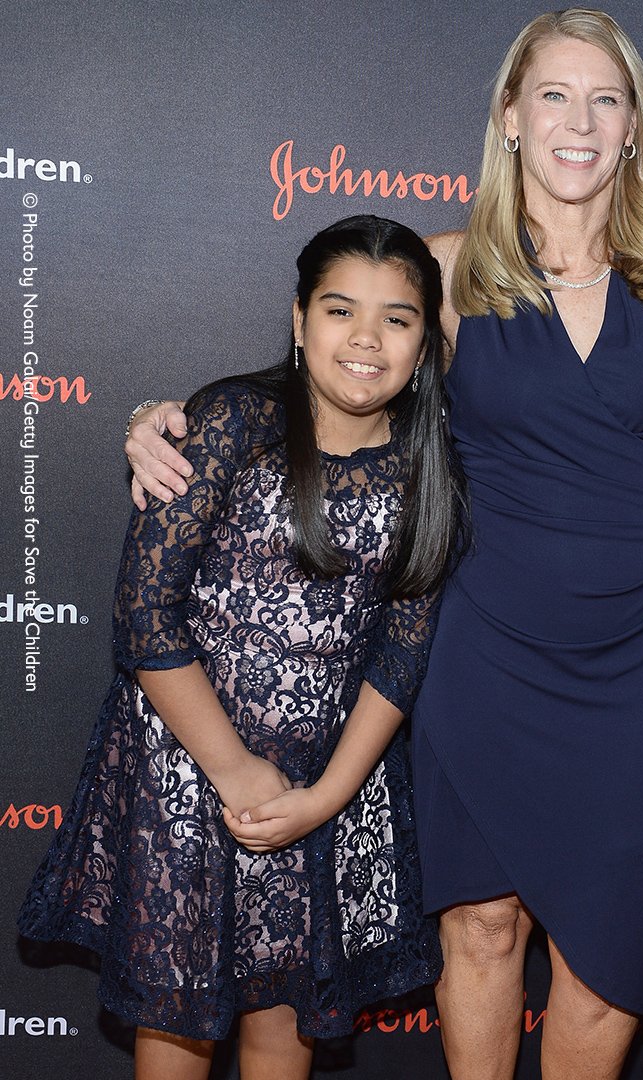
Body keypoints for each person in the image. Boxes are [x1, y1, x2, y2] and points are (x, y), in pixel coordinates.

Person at [123, 11, 643, 1079]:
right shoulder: (448, 271)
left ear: (633, 128)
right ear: (511, 118)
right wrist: (162, 416)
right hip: (483, 652)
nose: (578, 121)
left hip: (637, 664)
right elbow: (332, 382)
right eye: (554, 95)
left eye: (605, 99)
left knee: (608, 967)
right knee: (480, 930)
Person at [20, 215, 467, 1080]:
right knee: (180, 1026)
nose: (366, 339)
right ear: (299, 320)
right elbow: (146, 613)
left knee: (281, 1023)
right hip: (191, 776)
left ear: (425, 342)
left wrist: (323, 798)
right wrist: (233, 770)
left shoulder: (429, 472)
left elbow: (402, 655)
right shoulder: (235, 422)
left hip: (326, 790)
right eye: (340, 310)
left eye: (398, 318)